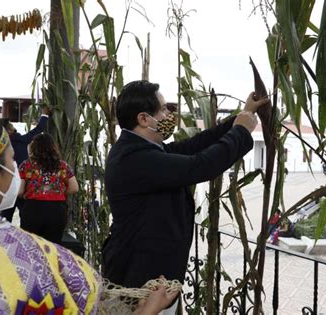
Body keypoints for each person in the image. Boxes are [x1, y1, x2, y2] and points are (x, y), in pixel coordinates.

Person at [0, 104, 177, 314]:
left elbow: (23, 190)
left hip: (34, 211)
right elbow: (74, 188)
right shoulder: (32, 259)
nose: (15, 167)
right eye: (11, 159)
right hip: (55, 213)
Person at [102, 80, 268, 311]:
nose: (169, 114)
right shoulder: (135, 159)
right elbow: (200, 166)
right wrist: (240, 131)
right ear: (143, 119)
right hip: (141, 286)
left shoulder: (142, 149)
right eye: (162, 109)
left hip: (150, 279)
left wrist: (243, 115)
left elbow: (194, 146)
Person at [18, 133, 78, 244]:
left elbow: (20, 191)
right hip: (56, 211)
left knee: (31, 248)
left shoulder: (26, 165)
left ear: (34, 148)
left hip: (33, 210)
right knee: (52, 249)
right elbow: (74, 187)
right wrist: (58, 191)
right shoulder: (63, 166)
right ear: (53, 147)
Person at [0, 106, 49, 222]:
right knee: (26, 216)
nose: (14, 127)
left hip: (9, 186)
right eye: (11, 126)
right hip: (24, 184)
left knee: (5, 218)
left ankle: (3, 237)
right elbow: (38, 129)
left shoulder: (0, 147)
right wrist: (44, 114)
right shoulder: (21, 140)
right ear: (8, 130)